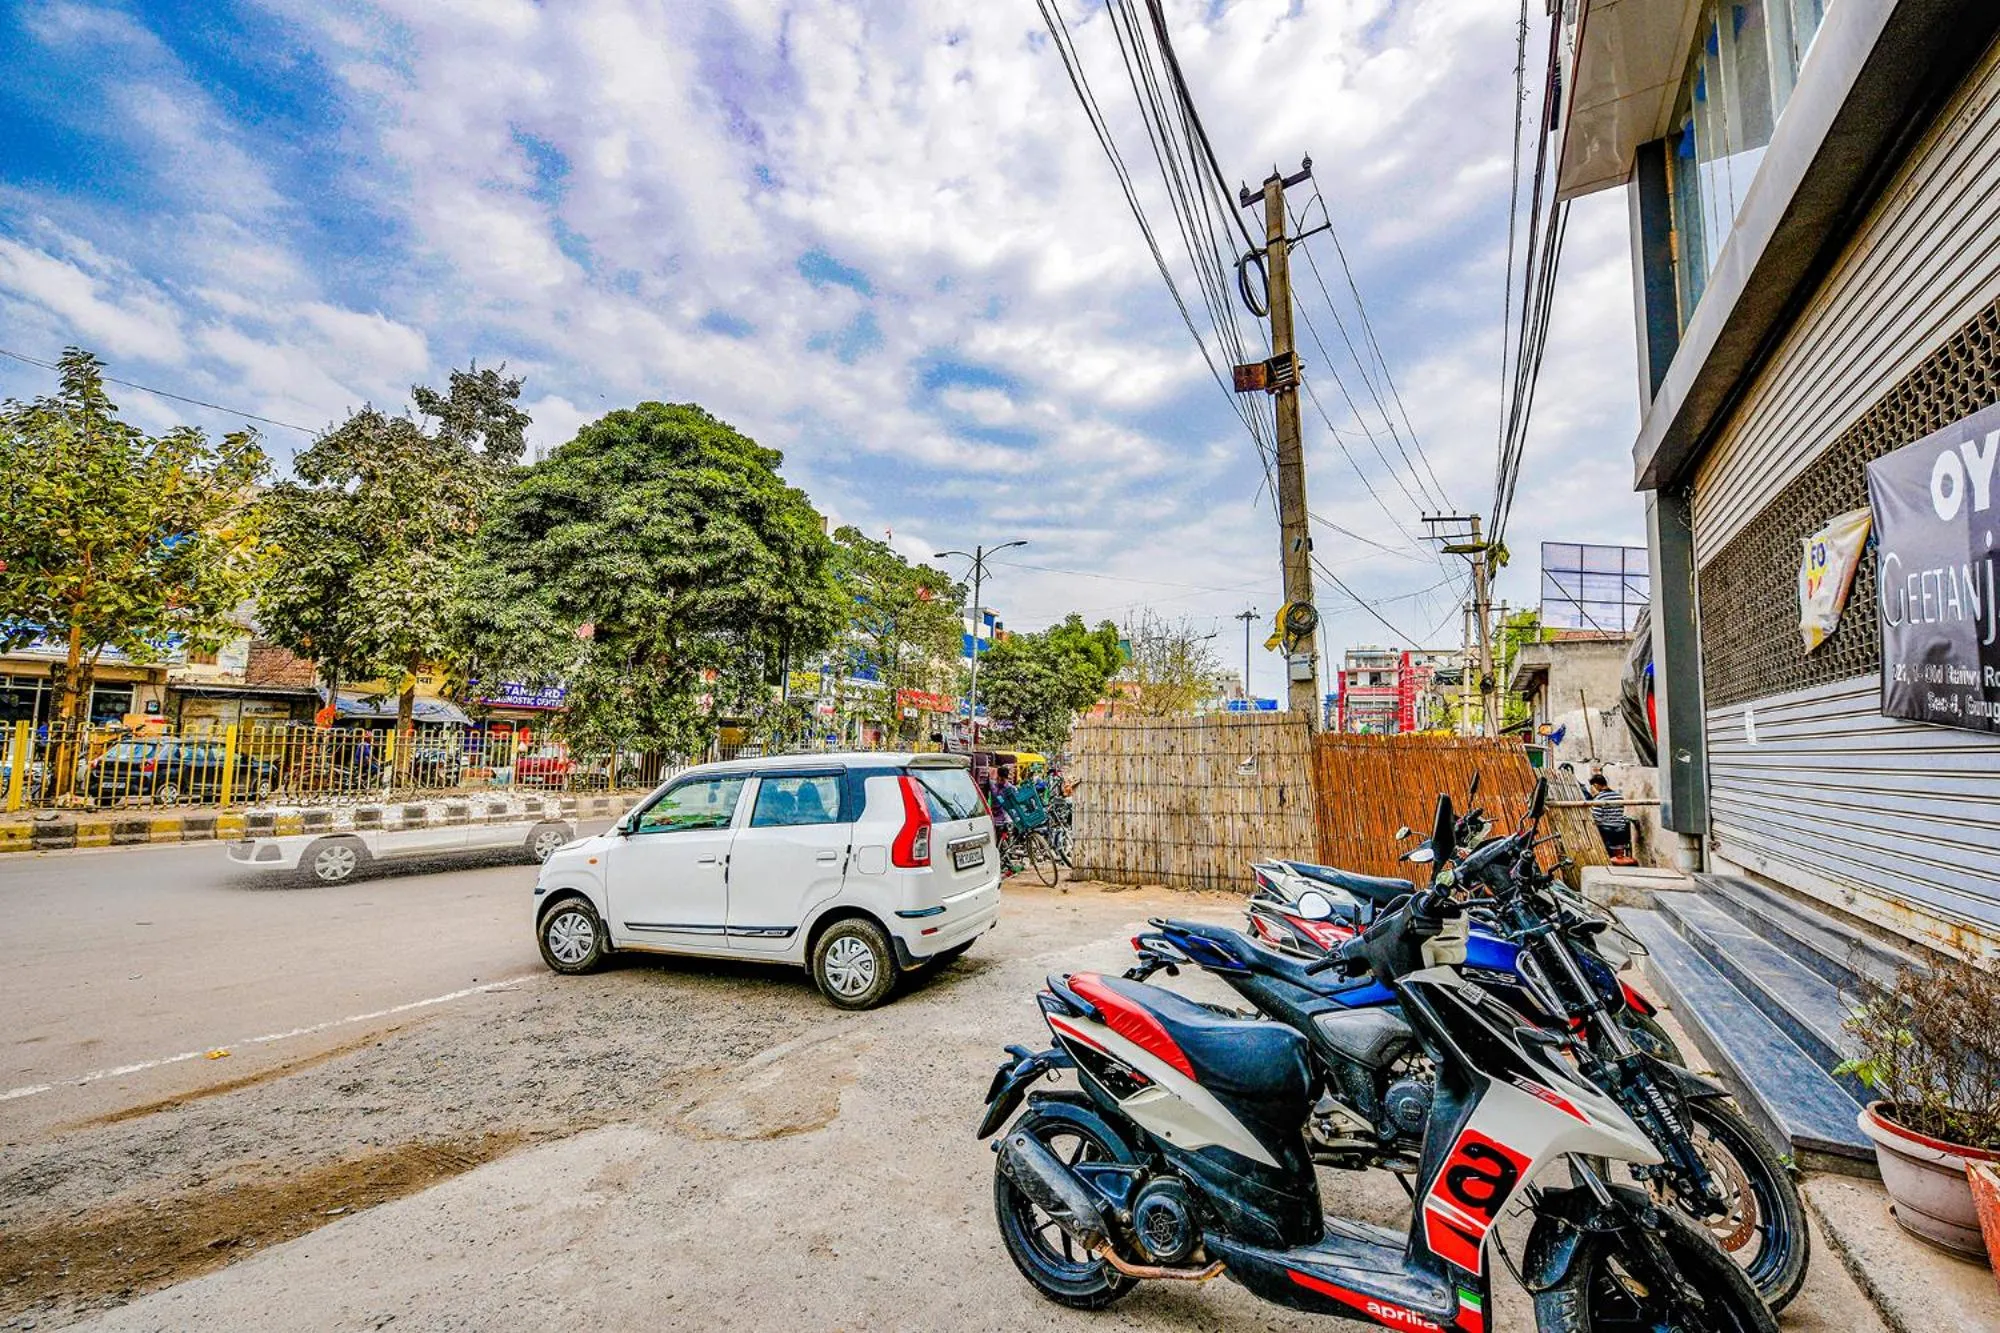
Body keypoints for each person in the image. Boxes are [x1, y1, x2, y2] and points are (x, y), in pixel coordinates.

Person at [1588, 773, 1634, 862]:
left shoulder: (1599, 798)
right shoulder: (1619, 796)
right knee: (1619, 856)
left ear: (1596, 785)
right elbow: (1620, 812)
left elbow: (1597, 817)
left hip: (1607, 831)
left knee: (1609, 857)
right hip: (1620, 829)